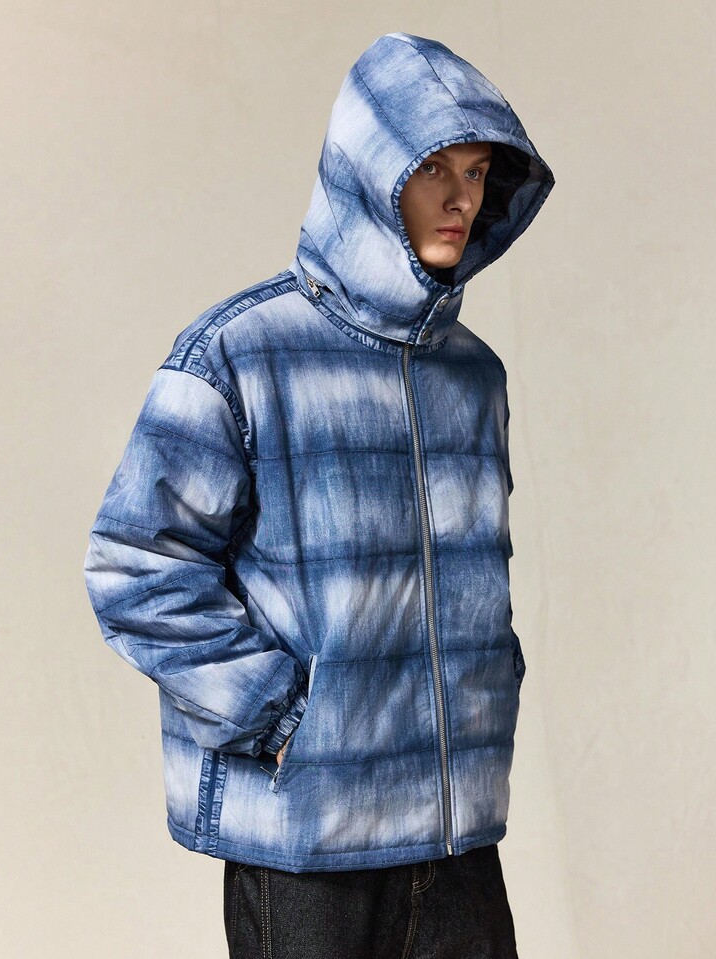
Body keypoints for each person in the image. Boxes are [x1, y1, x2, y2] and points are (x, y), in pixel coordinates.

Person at [83, 31, 555, 959]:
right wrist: (279, 714)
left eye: (477, 172)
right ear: (369, 173)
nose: (462, 199)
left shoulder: (476, 376)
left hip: (456, 837)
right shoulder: (238, 354)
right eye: (434, 170)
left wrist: (483, 694)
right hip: (305, 838)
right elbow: (135, 565)